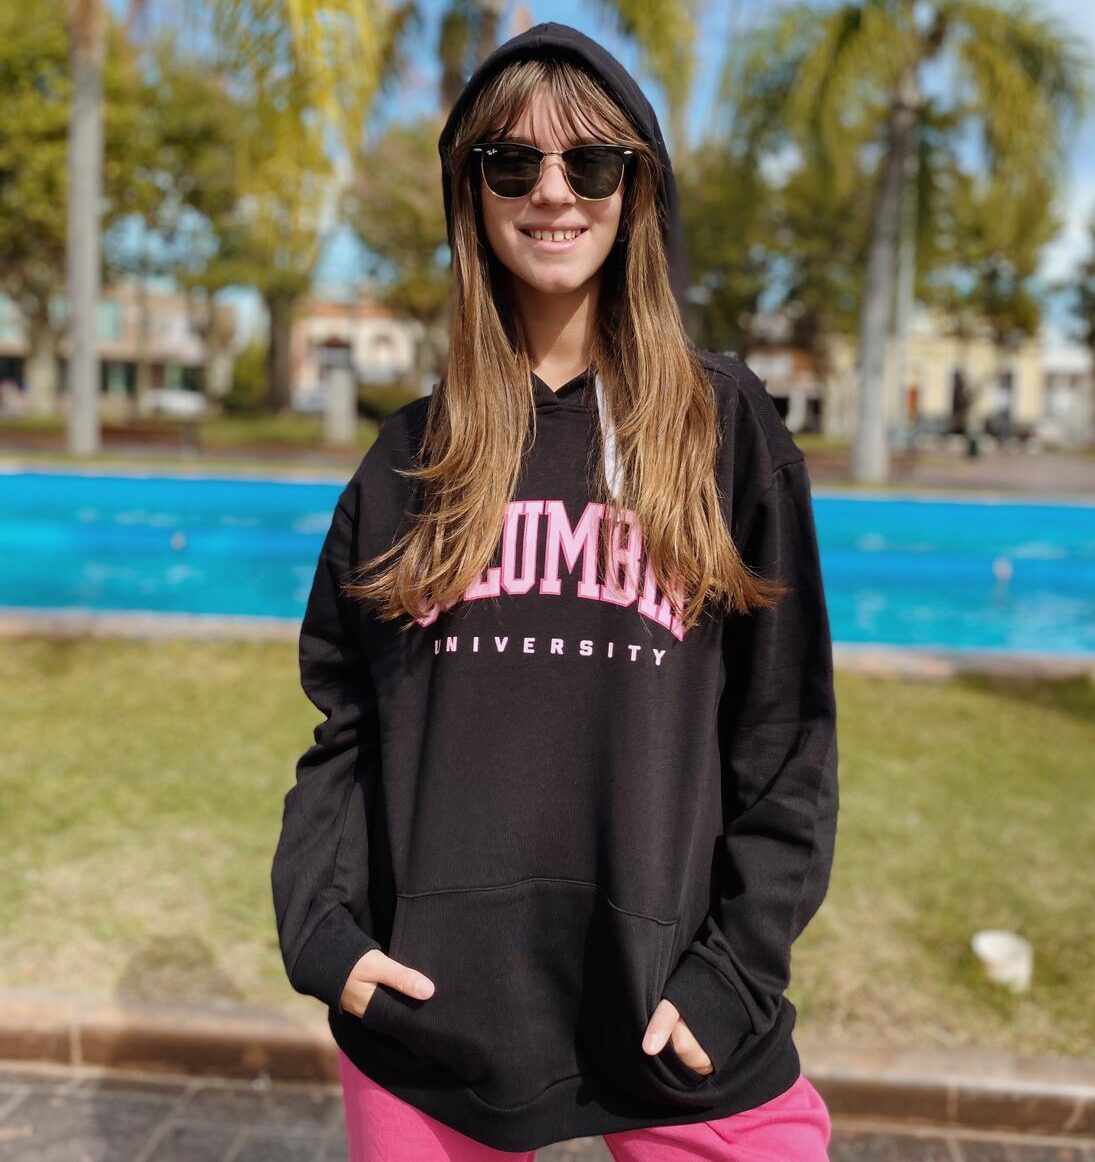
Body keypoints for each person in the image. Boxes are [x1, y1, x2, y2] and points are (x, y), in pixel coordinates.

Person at [271, 21, 839, 1161]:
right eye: (511, 163)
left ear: (637, 188)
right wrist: (327, 934)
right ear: (471, 194)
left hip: (671, 1007)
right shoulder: (409, 459)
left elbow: (784, 738)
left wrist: (733, 973)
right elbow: (348, 722)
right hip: (431, 1016)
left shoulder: (722, 430)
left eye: (590, 162)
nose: (552, 192)